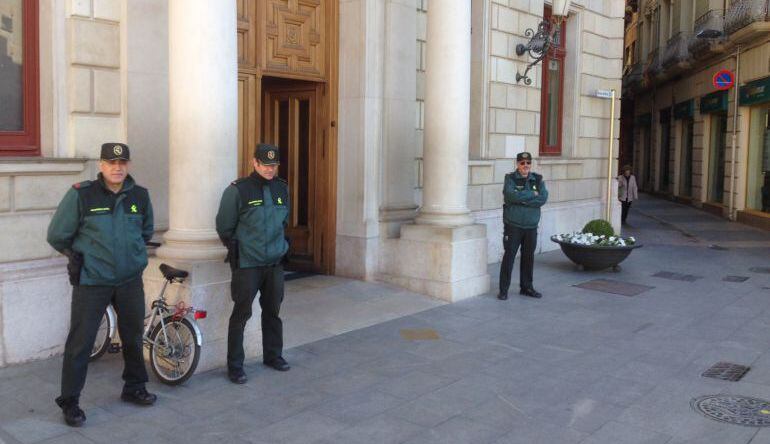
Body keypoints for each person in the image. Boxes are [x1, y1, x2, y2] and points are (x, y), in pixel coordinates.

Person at [47, 143, 156, 427]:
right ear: (101, 165)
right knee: (81, 343)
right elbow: (58, 235)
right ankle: (70, 402)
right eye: (111, 162)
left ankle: (134, 386)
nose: (117, 167)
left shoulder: (140, 196)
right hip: (93, 281)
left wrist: (132, 257)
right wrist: (79, 257)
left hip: (129, 280)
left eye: (122, 162)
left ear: (128, 165)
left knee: (133, 336)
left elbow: (145, 231)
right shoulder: (82, 194)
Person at [216, 143, 291, 384]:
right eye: (265, 165)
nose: (270, 169)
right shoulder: (238, 190)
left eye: (274, 165)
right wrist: (243, 248)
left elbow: (283, 221)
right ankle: (235, 366)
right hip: (248, 264)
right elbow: (224, 227)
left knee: (273, 312)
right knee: (241, 314)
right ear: (254, 163)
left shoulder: (282, 189)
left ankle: (273, 356)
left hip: (274, 264)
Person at [498, 152, 548, 301]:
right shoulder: (510, 178)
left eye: (528, 163)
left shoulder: (538, 179)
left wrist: (522, 199)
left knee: (528, 258)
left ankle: (526, 287)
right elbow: (510, 196)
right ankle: (503, 290)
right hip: (513, 226)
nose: (525, 166)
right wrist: (532, 195)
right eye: (522, 163)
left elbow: (543, 198)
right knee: (509, 257)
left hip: (531, 226)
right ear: (517, 164)